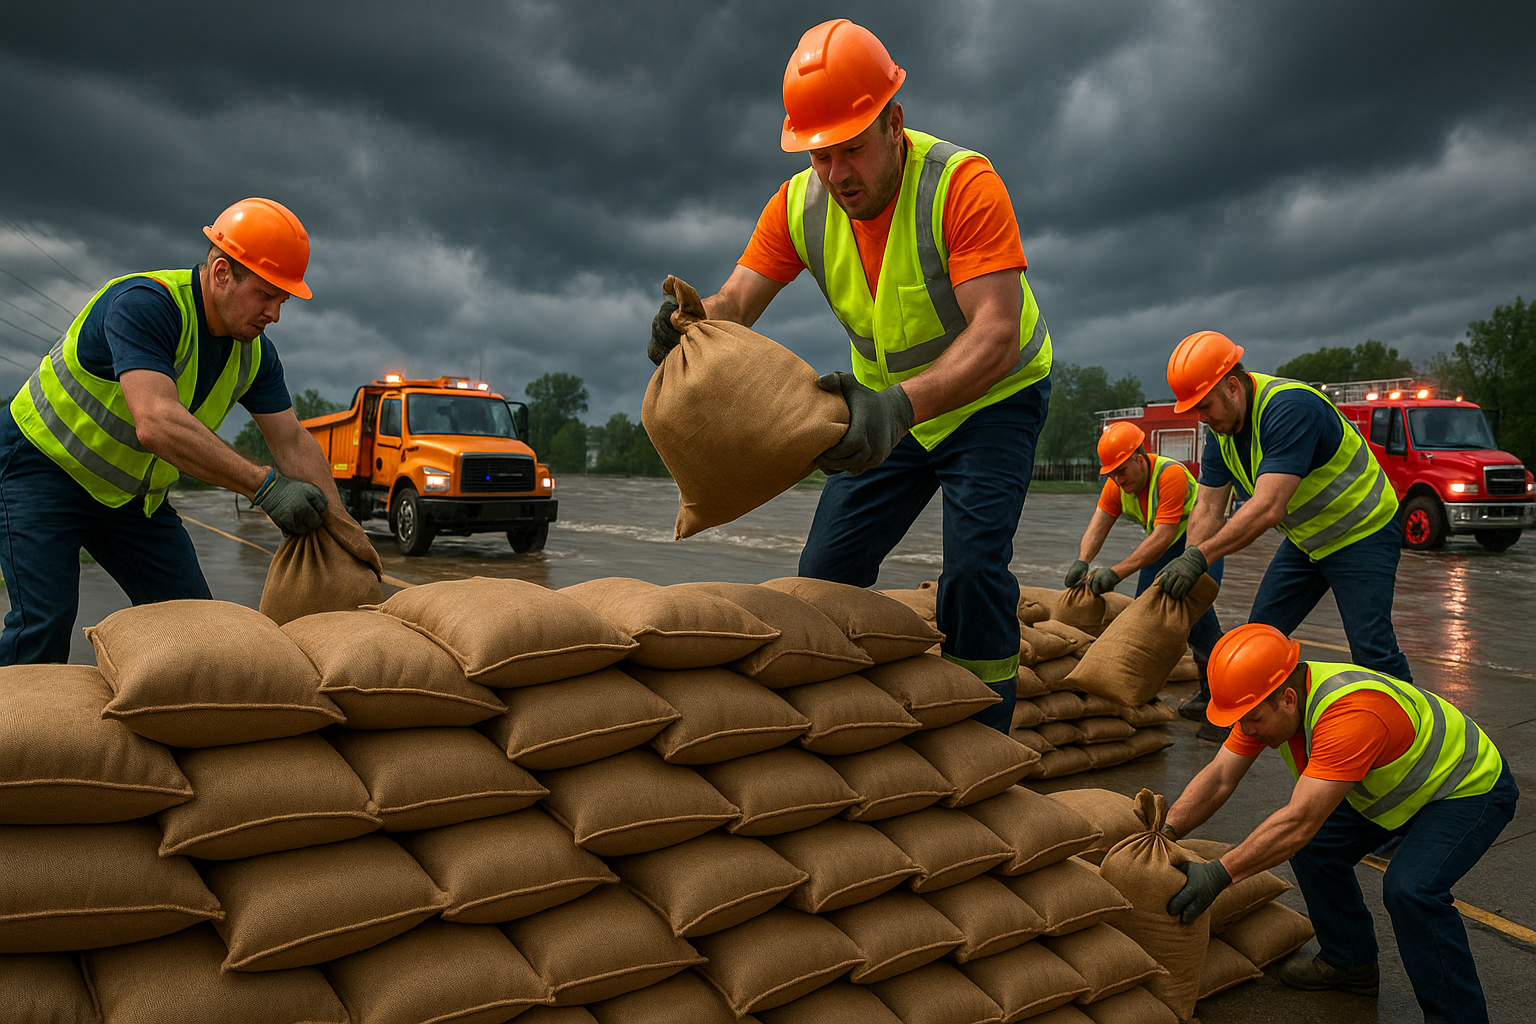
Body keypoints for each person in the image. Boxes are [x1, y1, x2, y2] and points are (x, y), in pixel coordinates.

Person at [648, 19, 1053, 731]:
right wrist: (695, 318)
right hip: (883, 411)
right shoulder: (801, 205)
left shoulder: (962, 184)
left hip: (991, 403)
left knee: (973, 574)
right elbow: (740, 298)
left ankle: (983, 730)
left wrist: (901, 406)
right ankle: (841, 726)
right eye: (819, 155)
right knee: (823, 568)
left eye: (851, 150)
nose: (836, 175)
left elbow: (995, 334)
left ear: (894, 121)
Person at [0, 198, 341, 665]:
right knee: (42, 627)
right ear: (222, 272)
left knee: (196, 628)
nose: (275, 314)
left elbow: (292, 440)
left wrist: (345, 529)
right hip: (41, 471)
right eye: (266, 294)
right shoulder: (144, 305)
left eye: (282, 300)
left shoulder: (255, 354)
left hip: (131, 502)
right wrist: (265, 488)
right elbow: (156, 422)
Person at [1164, 623, 1516, 1024]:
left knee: (1412, 890)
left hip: (1465, 786)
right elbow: (1219, 778)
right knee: (1316, 848)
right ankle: (1350, 964)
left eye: (1252, 720)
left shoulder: (1349, 714)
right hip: (1394, 786)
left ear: (1288, 700)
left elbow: (1299, 821)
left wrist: (1218, 875)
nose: (1246, 731)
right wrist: (1167, 831)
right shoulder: (1264, 703)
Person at [1155, 330, 1410, 681]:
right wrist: (1191, 559)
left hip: (1362, 533)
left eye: (1204, 405)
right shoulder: (1221, 432)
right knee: (1260, 636)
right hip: (1308, 541)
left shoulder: (1290, 408)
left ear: (1232, 386)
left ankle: (1408, 726)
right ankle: (1263, 716)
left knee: (1371, 649)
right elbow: (1208, 508)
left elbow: (1269, 506)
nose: (1201, 417)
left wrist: (1201, 557)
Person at [1067, 420, 1226, 738]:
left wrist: (1116, 572)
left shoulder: (1170, 475)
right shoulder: (1117, 484)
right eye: (1112, 473)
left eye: (1122, 470)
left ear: (1140, 458)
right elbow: (1098, 524)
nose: (1117, 478)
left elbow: (1163, 536)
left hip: (1197, 550)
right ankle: (1152, 692)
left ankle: (1223, 705)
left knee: (1198, 623)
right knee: (1147, 620)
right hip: (1163, 551)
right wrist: (1082, 561)